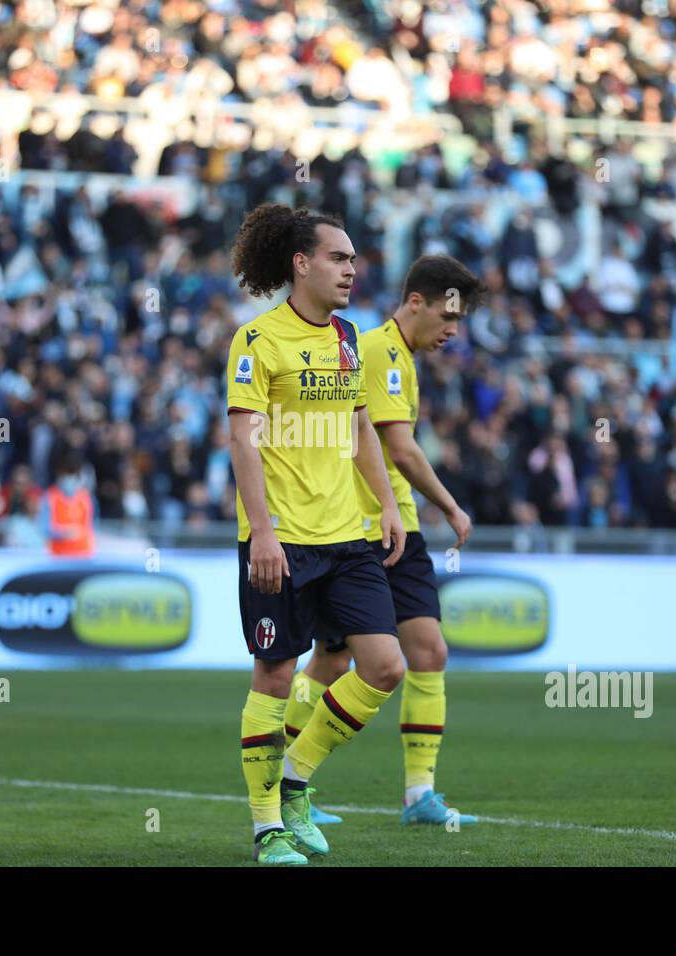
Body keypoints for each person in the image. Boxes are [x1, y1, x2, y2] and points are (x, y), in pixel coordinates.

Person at [227, 204, 407, 865]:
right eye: (339, 257)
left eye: (354, 260)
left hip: (346, 535)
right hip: (281, 541)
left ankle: (297, 778)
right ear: (300, 264)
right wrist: (263, 535)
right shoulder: (257, 342)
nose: (352, 269)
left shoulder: (350, 338)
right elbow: (242, 441)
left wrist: (385, 504)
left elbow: (362, 428)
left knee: (385, 666)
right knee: (275, 678)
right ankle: (267, 827)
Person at [285, 254, 485, 827]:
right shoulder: (376, 351)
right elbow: (398, 446)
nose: (453, 330)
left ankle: (418, 793)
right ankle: (287, 778)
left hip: (397, 526)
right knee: (334, 658)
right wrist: (450, 503)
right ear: (414, 302)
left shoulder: (399, 356)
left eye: (460, 321)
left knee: (427, 652)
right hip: (366, 528)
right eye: (448, 316)